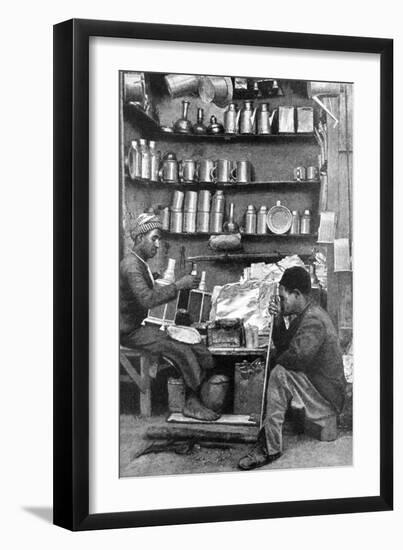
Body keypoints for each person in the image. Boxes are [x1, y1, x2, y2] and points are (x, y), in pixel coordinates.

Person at [238, 266, 346, 470]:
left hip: (328, 396)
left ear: (296, 294)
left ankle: (270, 448)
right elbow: (285, 346)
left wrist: (276, 361)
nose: (280, 301)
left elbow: (296, 359)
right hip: (319, 385)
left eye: (283, 297)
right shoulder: (305, 313)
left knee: (279, 374)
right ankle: (268, 429)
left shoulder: (314, 319)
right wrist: (278, 318)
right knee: (277, 366)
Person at [120, 213, 219, 421]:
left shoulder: (139, 263)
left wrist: (160, 282)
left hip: (138, 327)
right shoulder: (131, 265)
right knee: (178, 347)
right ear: (139, 239)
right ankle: (192, 403)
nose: (157, 245)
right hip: (127, 331)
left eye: (158, 239)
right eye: (153, 238)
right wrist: (177, 286)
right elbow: (146, 300)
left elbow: (143, 292)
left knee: (193, 341)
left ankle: (199, 396)